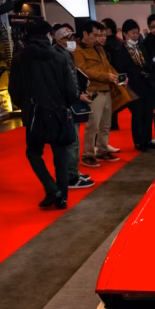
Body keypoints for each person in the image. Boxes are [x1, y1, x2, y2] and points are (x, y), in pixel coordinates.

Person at [9, 20, 76, 209]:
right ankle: (62, 197)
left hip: (34, 113)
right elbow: (71, 90)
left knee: (33, 152)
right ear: (48, 35)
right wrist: (64, 105)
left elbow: (14, 90)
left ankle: (51, 188)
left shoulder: (20, 58)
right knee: (60, 154)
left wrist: (26, 106)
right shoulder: (60, 57)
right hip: (59, 112)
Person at [52, 25, 95, 189]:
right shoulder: (59, 56)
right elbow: (65, 82)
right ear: (59, 40)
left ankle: (73, 172)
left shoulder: (64, 54)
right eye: (68, 38)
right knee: (71, 141)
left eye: (72, 37)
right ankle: (71, 176)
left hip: (67, 101)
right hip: (65, 104)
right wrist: (77, 95)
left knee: (73, 140)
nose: (72, 40)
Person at [74, 20, 119, 167]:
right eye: (95, 35)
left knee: (105, 124)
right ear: (85, 34)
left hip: (106, 89)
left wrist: (117, 75)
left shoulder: (99, 49)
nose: (97, 38)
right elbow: (83, 71)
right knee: (93, 125)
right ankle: (88, 154)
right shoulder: (78, 51)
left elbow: (107, 66)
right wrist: (106, 76)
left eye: (99, 35)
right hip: (93, 91)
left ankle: (102, 150)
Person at [113, 19, 155, 152]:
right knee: (137, 114)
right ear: (125, 34)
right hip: (133, 86)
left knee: (148, 113)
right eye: (133, 33)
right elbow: (120, 69)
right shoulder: (120, 50)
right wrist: (125, 87)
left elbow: (148, 62)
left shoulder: (141, 47)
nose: (136, 36)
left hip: (147, 84)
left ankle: (147, 139)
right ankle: (138, 141)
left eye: (137, 33)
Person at [102, 18, 123, 131]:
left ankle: (112, 123)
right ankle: (113, 123)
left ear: (109, 29)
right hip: (118, 73)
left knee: (112, 99)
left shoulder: (108, 44)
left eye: (103, 28)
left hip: (111, 73)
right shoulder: (118, 41)